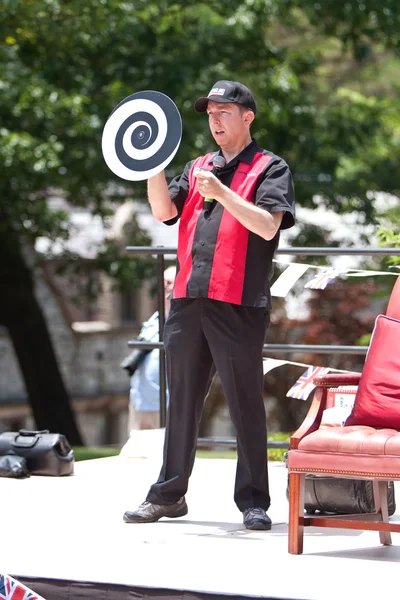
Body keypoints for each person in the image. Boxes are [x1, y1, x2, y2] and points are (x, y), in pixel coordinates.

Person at [123, 80, 295, 530]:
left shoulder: (270, 167)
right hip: (187, 299)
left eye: (224, 112)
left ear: (247, 117)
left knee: (245, 404)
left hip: (239, 302)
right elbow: (164, 212)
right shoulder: (198, 165)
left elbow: (267, 228)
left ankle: (254, 501)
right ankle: (167, 495)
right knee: (181, 400)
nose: (215, 120)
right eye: (210, 113)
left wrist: (222, 193)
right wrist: (152, 165)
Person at [122, 266, 176, 432]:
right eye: (163, 281)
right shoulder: (155, 318)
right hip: (140, 401)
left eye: (169, 281)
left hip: (165, 404)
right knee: (138, 454)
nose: (164, 285)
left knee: (164, 453)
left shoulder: (182, 320)